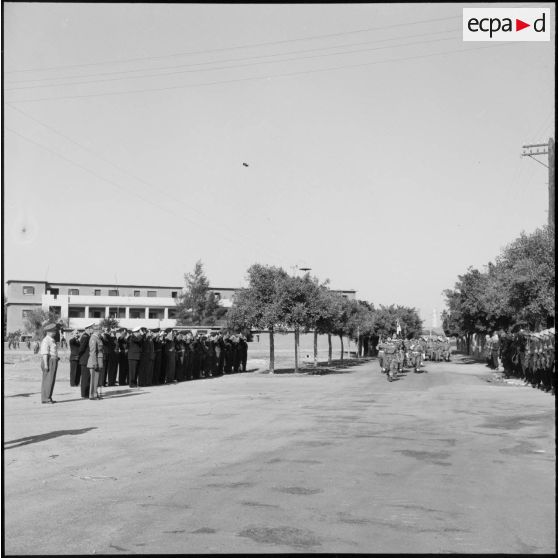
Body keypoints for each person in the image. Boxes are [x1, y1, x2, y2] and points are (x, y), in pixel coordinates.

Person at [40, 323, 60, 404]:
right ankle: (46, 398)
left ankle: (48, 397)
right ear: (49, 332)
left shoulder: (51, 339)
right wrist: (46, 365)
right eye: (54, 331)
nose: (55, 332)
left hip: (53, 360)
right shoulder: (46, 340)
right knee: (48, 380)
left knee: (51, 380)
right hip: (49, 361)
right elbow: (45, 353)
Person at [87, 324, 104, 400]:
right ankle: (92, 395)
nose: (102, 331)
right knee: (93, 380)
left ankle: (95, 393)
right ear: (97, 330)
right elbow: (93, 352)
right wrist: (95, 363)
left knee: (96, 379)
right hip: (94, 362)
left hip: (98, 361)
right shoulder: (93, 338)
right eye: (101, 330)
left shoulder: (98, 338)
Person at [79, 323, 94, 399]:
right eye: (92, 328)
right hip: (85, 360)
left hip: (87, 360)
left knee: (87, 377)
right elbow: (81, 348)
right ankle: (84, 394)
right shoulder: (85, 337)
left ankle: (86, 393)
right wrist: (81, 357)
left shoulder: (88, 336)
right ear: (88, 329)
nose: (93, 329)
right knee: (85, 378)